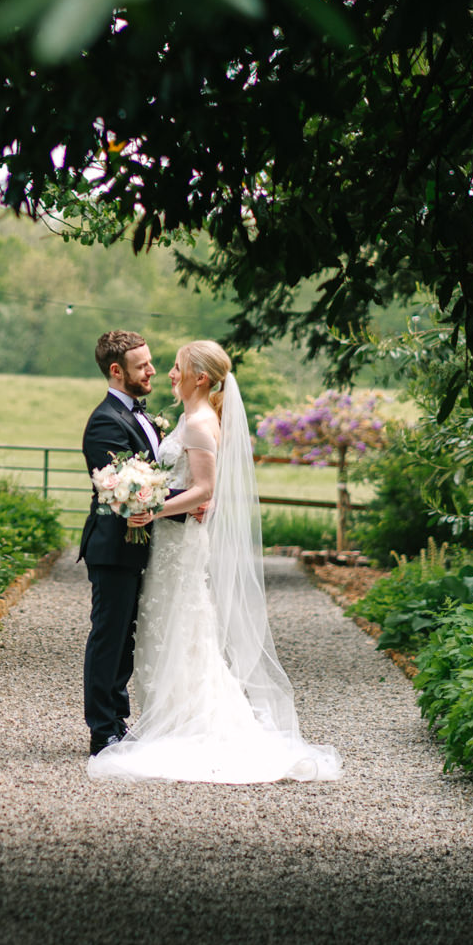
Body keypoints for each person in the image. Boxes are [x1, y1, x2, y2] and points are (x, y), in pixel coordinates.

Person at [88, 340, 341, 784]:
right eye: (151, 365)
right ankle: (155, 720)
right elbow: (178, 480)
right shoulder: (184, 418)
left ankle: (185, 723)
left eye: (175, 366)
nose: (165, 372)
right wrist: (168, 500)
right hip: (162, 543)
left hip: (176, 543)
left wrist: (158, 507)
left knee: (184, 629)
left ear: (199, 377)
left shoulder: (201, 423)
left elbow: (204, 488)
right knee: (163, 629)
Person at [76, 330, 161, 757]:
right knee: (109, 637)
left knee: (126, 636)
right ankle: (102, 730)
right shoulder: (107, 419)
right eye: (142, 365)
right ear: (116, 370)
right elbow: (122, 487)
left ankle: (118, 719)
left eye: (150, 362)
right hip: (114, 546)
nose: (151, 370)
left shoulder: (138, 414)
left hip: (137, 546)